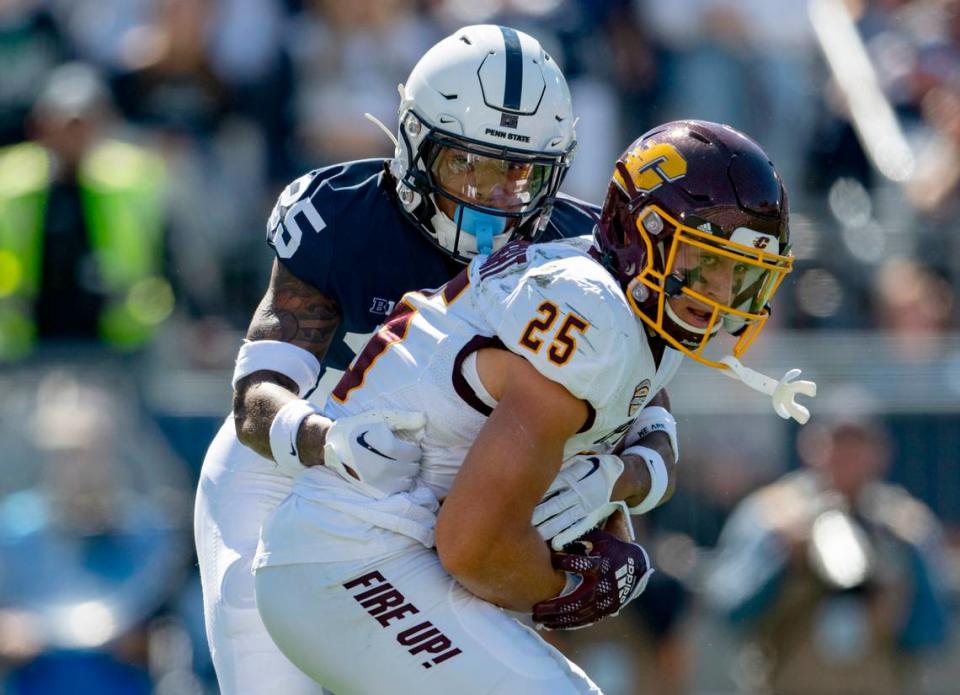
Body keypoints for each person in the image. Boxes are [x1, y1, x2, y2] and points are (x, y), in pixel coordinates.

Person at [251, 120, 801, 693]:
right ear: (643, 235)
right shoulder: (594, 314)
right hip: (349, 557)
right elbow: (474, 546)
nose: (716, 293)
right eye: (701, 261)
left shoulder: (625, 304)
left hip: (381, 555)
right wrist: (565, 589)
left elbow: (639, 422)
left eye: (738, 274)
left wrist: (625, 477)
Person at [194, 24, 602, 695]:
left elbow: (651, 410)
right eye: (466, 165)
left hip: (435, 494)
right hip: (282, 475)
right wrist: (327, 437)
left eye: (518, 174)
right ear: (415, 145)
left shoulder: (575, 255)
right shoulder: (345, 219)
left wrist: (625, 477)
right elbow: (255, 398)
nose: (491, 199)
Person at [705, 416, 950, 695]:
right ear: (808, 447)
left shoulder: (903, 524)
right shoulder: (773, 514)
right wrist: (784, 557)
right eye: (836, 445)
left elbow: (934, 630)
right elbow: (729, 610)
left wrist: (891, 587)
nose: (845, 458)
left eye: (857, 447)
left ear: (881, 454)